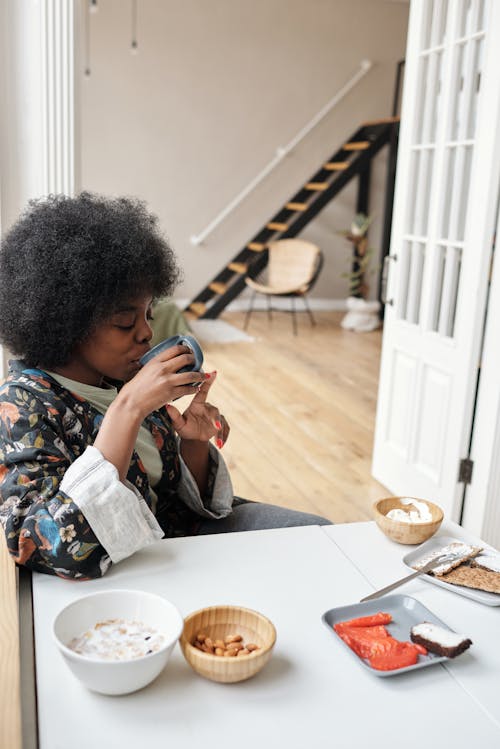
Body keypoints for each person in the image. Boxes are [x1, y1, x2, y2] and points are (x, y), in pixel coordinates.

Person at [0, 193, 330, 580]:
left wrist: (193, 441)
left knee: (322, 538)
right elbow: (48, 545)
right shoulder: (24, 404)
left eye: (148, 314)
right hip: (121, 569)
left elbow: (176, 499)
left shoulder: (125, 377)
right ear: (66, 323)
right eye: (126, 322)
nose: (147, 332)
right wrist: (128, 408)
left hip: (180, 541)